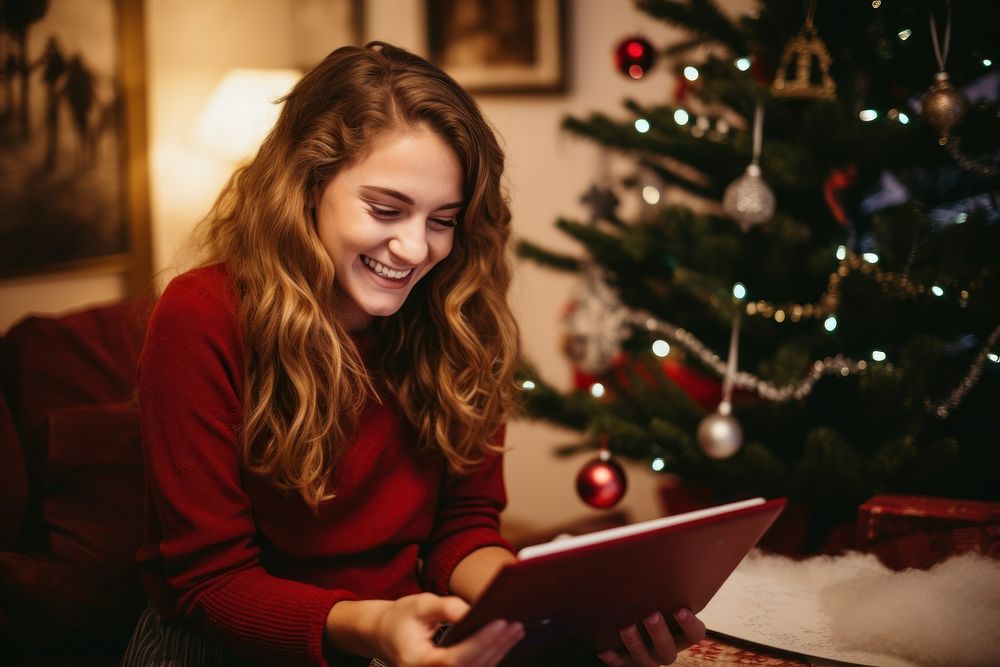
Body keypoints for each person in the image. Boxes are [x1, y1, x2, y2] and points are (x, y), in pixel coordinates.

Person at [120, 42, 705, 667]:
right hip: (222, 647)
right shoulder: (201, 315)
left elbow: (465, 529)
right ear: (307, 185)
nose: (413, 249)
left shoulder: (459, 316)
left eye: (443, 220)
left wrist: (562, 614)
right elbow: (212, 584)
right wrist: (374, 625)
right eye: (386, 209)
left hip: (400, 635)